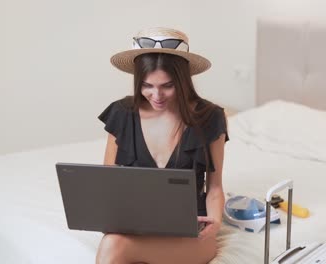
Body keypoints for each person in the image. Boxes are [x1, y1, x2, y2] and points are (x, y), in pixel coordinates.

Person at [96, 27, 229, 264]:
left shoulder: (210, 117)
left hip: (191, 229)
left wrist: (216, 223)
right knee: (113, 242)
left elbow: (215, 188)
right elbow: (109, 186)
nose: (156, 95)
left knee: (113, 247)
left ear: (183, 81)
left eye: (167, 86)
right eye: (147, 85)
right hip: (136, 225)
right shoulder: (121, 113)